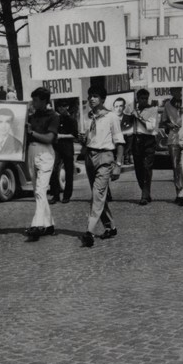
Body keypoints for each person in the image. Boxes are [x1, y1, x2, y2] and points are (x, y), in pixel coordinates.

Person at [79, 86, 124, 248]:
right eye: (90, 96)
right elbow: (86, 141)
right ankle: (110, 227)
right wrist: (82, 139)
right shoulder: (87, 116)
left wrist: (118, 165)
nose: (91, 99)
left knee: (97, 193)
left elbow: (119, 142)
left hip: (105, 156)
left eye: (95, 96)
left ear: (103, 99)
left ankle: (89, 232)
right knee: (98, 193)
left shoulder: (112, 117)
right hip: (90, 157)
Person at [24, 87, 60, 242]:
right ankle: (49, 224)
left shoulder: (54, 116)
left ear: (44, 101)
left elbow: (49, 138)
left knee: (40, 190)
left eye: (36, 100)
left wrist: (31, 132)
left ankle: (37, 225)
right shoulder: (31, 116)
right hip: (32, 152)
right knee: (38, 192)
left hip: (45, 153)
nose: (33, 102)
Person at [130, 89, 158, 205]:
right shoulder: (134, 110)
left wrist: (138, 118)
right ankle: (145, 192)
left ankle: (144, 196)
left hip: (148, 140)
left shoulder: (152, 110)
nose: (144, 101)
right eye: (141, 98)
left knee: (147, 167)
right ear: (137, 98)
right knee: (138, 169)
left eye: (146, 98)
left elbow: (150, 127)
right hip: (136, 140)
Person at [49, 100, 78, 204]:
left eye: (63, 106)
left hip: (68, 147)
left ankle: (67, 196)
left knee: (69, 172)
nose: (61, 109)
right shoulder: (57, 119)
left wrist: (61, 136)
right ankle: (55, 195)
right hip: (57, 148)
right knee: (54, 170)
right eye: (59, 107)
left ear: (67, 107)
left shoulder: (72, 120)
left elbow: (75, 135)